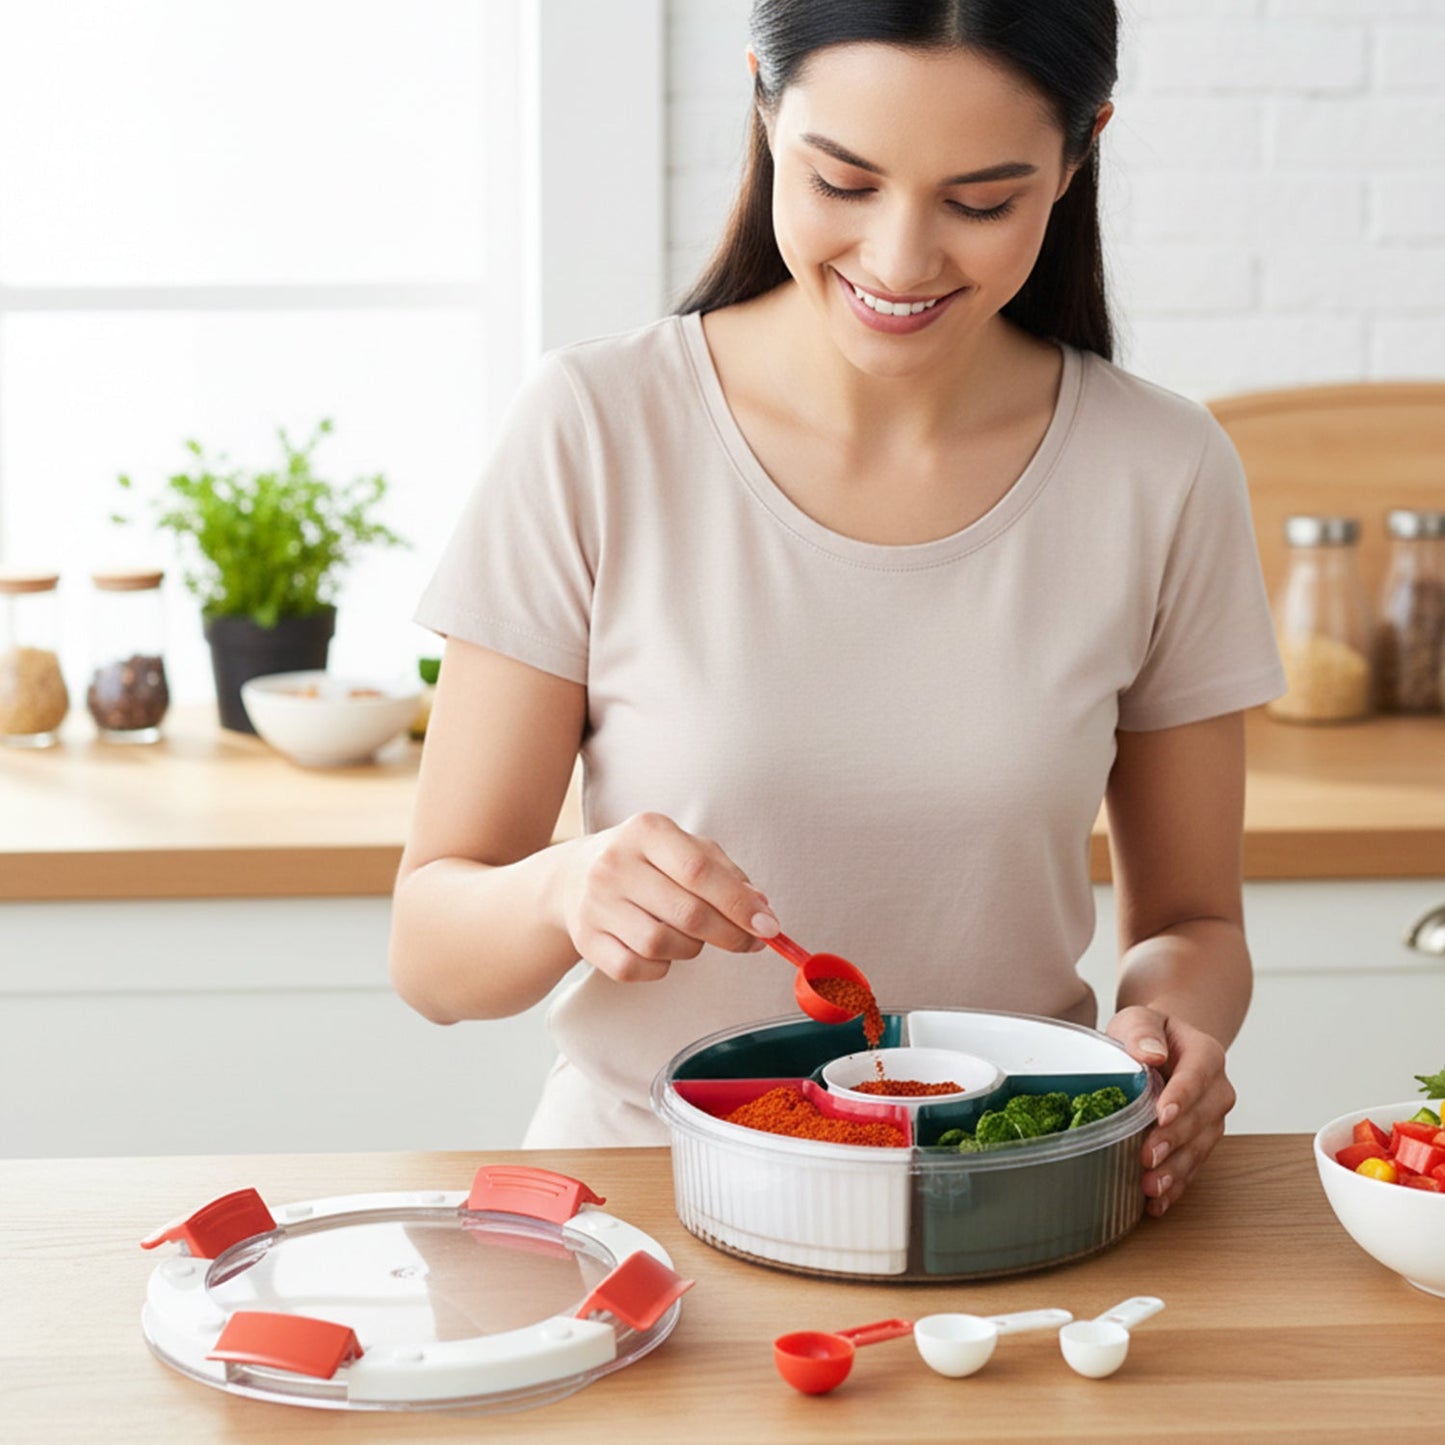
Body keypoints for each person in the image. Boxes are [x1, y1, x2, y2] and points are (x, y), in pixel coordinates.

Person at [390, 0, 1285, 1217]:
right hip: (642, 1206)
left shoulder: (1160, 467)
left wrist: (1166, 1030)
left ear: (1079, 155)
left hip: (1003, 1199)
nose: (901, 259)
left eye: (980, 200)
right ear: (763, 103)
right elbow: (433, 955)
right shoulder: (597, 425)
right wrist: (566, 887)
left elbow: (1190, 919)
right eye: (841, 181)